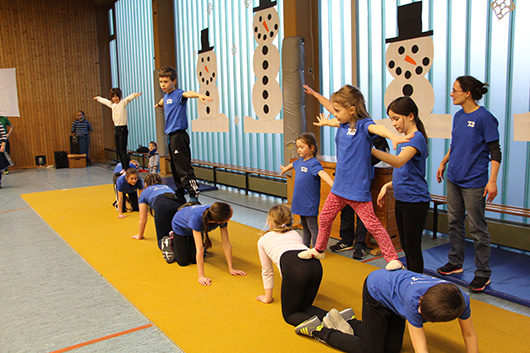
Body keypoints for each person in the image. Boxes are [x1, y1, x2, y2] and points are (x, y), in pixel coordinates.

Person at [299, 84, 411, 270]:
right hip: (339, 188)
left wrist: (393, 137)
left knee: (373, 224)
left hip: (357, 190)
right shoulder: (343, 123)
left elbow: (378, 129)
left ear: (351, 109)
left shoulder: (363, 125)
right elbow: (330, 106)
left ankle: (392, 259)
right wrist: (316, 95)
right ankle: (318, 249)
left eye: (337, 110)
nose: (334, 113)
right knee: (325, 218)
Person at [295, 268, 478, 353]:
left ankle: (350, 322)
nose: (418, 312)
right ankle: (321, 331)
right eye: (420, 309)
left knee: (392, 350)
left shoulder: (461, 300)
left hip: (395, 297)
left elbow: (469, 334)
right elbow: (421, 348)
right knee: (370, 350)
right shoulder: (414, 301)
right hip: (376, 291)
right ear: (422, 298)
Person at [436, 76, 501, 291]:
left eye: (455, 90)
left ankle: (483, 273)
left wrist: (492, 181)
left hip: (474, 181)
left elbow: (495, 152)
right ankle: (455, 262)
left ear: (468, 93)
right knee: (454, 221)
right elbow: (456, 144)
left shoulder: (485, 118)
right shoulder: (458, 116)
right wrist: (444, 161)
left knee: (477, 227)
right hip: (454, 177)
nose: (452, 94)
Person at [371, 96, 430, 274]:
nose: (394, 124)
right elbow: (405, 172)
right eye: (391, 119)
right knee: (405, 246)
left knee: (412, 247)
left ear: (410, 116)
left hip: (415, 200)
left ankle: (416, 282)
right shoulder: (404, 139)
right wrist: (387, 186)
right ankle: (410, 280)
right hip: (402, 198)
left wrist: (371, 149)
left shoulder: (417, 138)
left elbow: (398, 162)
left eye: (396, 118)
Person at [155, 66, 212, 203]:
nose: (163, 84)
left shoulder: (178, 94)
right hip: (170, 137)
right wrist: (158, 104)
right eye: (161, 81)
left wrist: (199, 95)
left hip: (179, 136)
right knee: (174, 168)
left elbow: (188, 93)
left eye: (166, 81)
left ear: (174, 81)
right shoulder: (166, 96)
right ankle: (179, 193)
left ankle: (193, 196)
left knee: (183, 167)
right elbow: (164, 102)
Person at [331, 135, 390, 260]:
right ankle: (346, 240)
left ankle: (360, 244)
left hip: (362, 178)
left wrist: (362, 162)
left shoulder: (368, 128)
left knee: (362, 212)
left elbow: (383, 149)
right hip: (345, 177)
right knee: (345, 209)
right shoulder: (344, 129)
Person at [163, 202, 247, 286]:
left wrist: (231, 268)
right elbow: (199, 249)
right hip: (180, 227)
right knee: (183, 262)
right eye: (230, 217)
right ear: (219, 220)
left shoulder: (220, 219)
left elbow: (226, 243)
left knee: (193, 260)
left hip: (196, 230)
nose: (230, 219)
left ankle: (187, 241)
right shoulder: (197, 218)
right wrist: (201, 276)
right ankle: (171, 239)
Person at [280, 133, 334, 247]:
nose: (299, 150)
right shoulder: (300, 161)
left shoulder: (314, 163)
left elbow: (322, 174)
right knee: (304, 227)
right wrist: (285, 168)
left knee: (312, 227)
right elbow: (292, 164)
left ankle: (317, 248)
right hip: (300, 200)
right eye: (298, 147)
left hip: (309, 201)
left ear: (311, 148)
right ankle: (305, 246)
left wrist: (333, 185)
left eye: (302, 147)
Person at [94, 88, 142, 172]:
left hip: (123, 128)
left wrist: (135, 95)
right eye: (113, 97)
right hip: (116, 128)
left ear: (120, 96)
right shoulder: (112, 105)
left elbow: (128, 98)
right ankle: (124, 168)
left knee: (123, 150)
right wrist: (98, 98)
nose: (115, 98)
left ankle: (127, 169)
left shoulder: (122, 103)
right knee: (119, 150)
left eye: (117, 96)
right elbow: (105, 101)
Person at [132, 173, 185, 248]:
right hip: (177, 202)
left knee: (162, 238)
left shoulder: (144, 192)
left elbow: (143, 219)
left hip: (161, 204)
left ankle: (167, 247)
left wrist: (140, 235)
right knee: (178, 230)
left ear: (146, 184)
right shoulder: (166, 186)